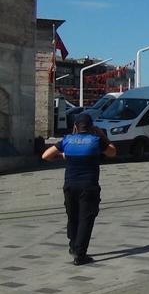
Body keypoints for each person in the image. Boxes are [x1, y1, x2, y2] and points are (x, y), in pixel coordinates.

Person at [41, 113, 116, 266]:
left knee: (72, 217)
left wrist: (64, 154)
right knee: (85, 220)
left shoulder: (67, 140)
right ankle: (80, 255)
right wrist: (102, 135)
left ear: (75, 126)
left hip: (69, 186)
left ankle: (73, 245)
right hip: (88, 186)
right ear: (91, 127)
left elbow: (45, 156)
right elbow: (112, 152)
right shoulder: (95, 141)